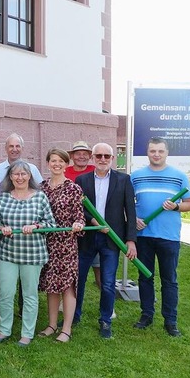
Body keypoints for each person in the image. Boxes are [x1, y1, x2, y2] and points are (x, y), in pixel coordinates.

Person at [131, 137, 190, 337]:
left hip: (169, 237)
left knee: (169, 280)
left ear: (166, 153)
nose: (156, 154)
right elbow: (126, 202)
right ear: (147, 153)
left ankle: (170, 320)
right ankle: (146, 315)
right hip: (144, 235)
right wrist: (133, 218)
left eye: (160, 151)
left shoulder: (179, 176)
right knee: (145, 277)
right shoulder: (136, 176)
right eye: (152, 151)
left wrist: (176, 206)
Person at [0, 160, 55, 347]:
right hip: (8, 253)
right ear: (10, 177)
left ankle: (27, 333)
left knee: (29, 295)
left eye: (23, 174)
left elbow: (50, 224)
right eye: (16, 174)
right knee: (5, 293)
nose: (20, 177)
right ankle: (4, 329)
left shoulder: (40, 197)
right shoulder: (3, 198)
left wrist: (35, 226)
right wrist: (3, 228)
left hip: (32, 254)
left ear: (29, 176)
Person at [74, 142, 137, 339]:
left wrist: (131, 240)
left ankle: (105, 320)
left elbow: (130, 212)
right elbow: (78, 209)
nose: (102, 159)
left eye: (106, 156)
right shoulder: (82, 180)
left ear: (112, 159)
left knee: (108, 282)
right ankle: (74, 315)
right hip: (88, 237)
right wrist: (92, 220)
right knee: (79, 280)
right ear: (93, 158)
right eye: (98, 156)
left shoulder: (124, 180)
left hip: (112, 239)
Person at [0, 133, 42, 320]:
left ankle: (22, 309)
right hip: (6, 229)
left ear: (22, 148)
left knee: (27, 280)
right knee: (3, 276)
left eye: (17, 146)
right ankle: (0, 308)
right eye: (11, 146)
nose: (14, 149)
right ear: (6, 148)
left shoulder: (33, 169)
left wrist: (36, 223)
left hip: (29, 236)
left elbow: (39, 193)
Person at [38, 149, 84, 343]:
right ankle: (51, 325)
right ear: (48, 163)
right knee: (51, 285)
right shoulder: (41, 188)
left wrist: (78, 224)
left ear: (66, 164)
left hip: (66, 244)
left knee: (67, 286)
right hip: (46, 243)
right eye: (53, 161)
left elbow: (80, 215)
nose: (56, 164)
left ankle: (66, 329)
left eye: (60, 161)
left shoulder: (74, 188)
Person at [65, 141, 106, 317]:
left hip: (95, 228)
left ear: (90, 156)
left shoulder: (95, 171)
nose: (81, 156)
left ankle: (106, 306)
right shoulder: (65, 173)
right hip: (72, 230)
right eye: (77, 153)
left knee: (100, 270)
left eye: (85, 153)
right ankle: (69, 305)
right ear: (72, 156)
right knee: (72, 271)